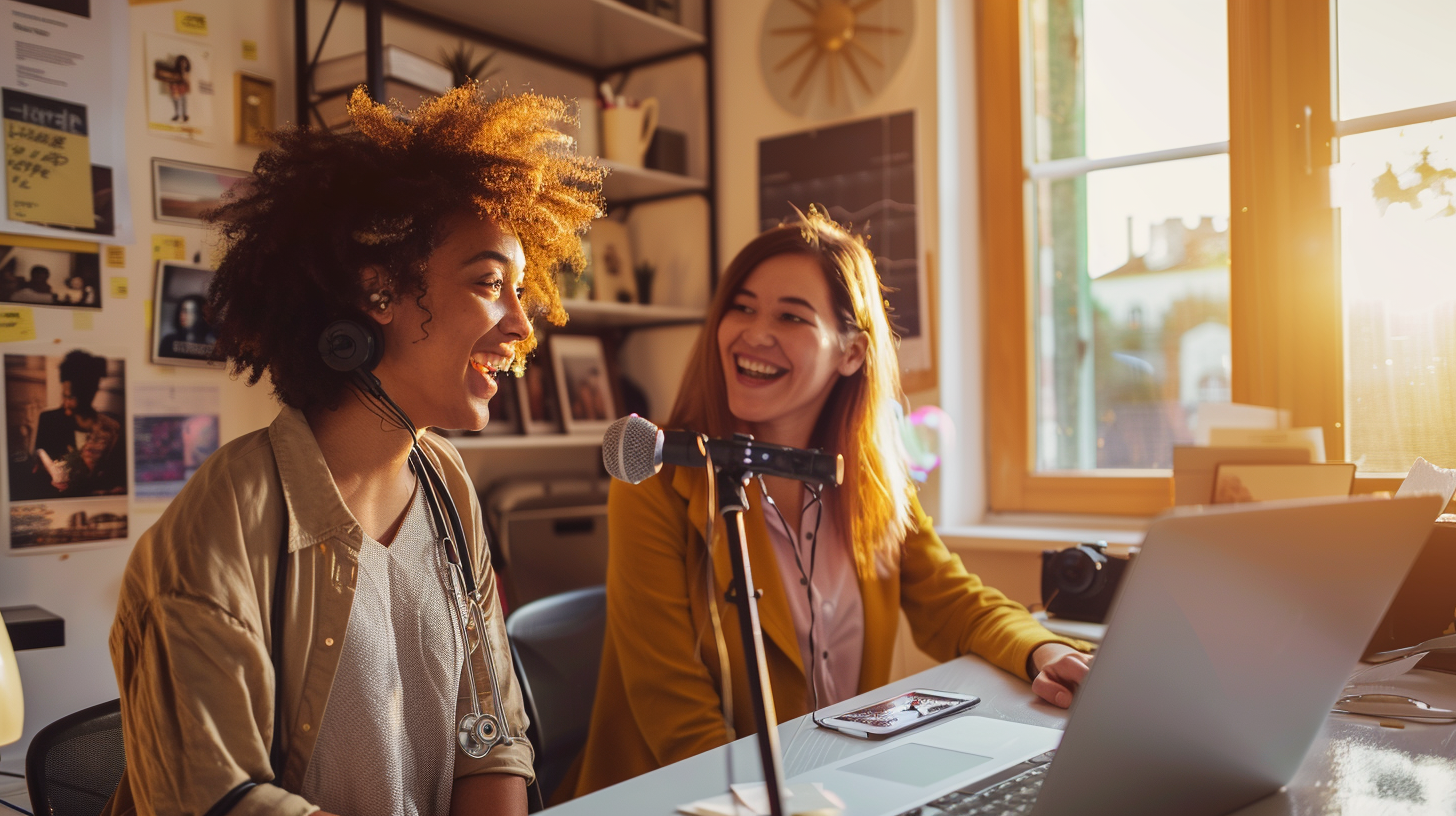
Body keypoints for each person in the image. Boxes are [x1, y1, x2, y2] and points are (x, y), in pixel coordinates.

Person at [104, 85, 602, 816]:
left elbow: (490, 739)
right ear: (377, 291)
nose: (522, 325)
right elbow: (217, 801)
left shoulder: (444, 480)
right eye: (490, 283)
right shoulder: (223, 523)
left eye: (521, 290)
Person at [567, 209, 1094, 799]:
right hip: (691, 800)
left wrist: (1043, 650)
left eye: (791, 315)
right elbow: (676, 713)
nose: (753, 333)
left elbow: (957, 606)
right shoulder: (661, 478)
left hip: (834, 790)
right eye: (741, 307)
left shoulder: (871, 476)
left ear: (852, 353)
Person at [20, 349, 125, 498]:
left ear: (89, 393)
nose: (65, 403)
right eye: (64, 395)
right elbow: (38, 469)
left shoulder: (112, 428)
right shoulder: (49, 420)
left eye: (71, 397)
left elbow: (116, 478)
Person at [157, 293, 216, 358]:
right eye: (181, 311)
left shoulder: (212, 342)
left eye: (188, 311)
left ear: (199, 315)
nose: (182, 315)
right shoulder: (169, 341)